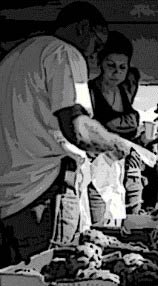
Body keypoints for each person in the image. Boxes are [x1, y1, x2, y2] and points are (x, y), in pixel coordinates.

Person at [0, 2, 150, 267]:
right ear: (83, 28)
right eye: (97, 43)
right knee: (55, 271)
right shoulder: (64, 53)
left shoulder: (13, 57)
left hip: (9, 197)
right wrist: (120, 144)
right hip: (43, 195)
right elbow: (78, 129)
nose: (95, 53)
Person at [88, 31, 144, 216]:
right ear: (100, 63)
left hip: (117, 170)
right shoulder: (90, 92)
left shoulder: (124, 93)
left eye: (122, 67)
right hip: (93, 171)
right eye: (110, 65)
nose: (116, 72)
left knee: (117, 218)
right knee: (98, 221)